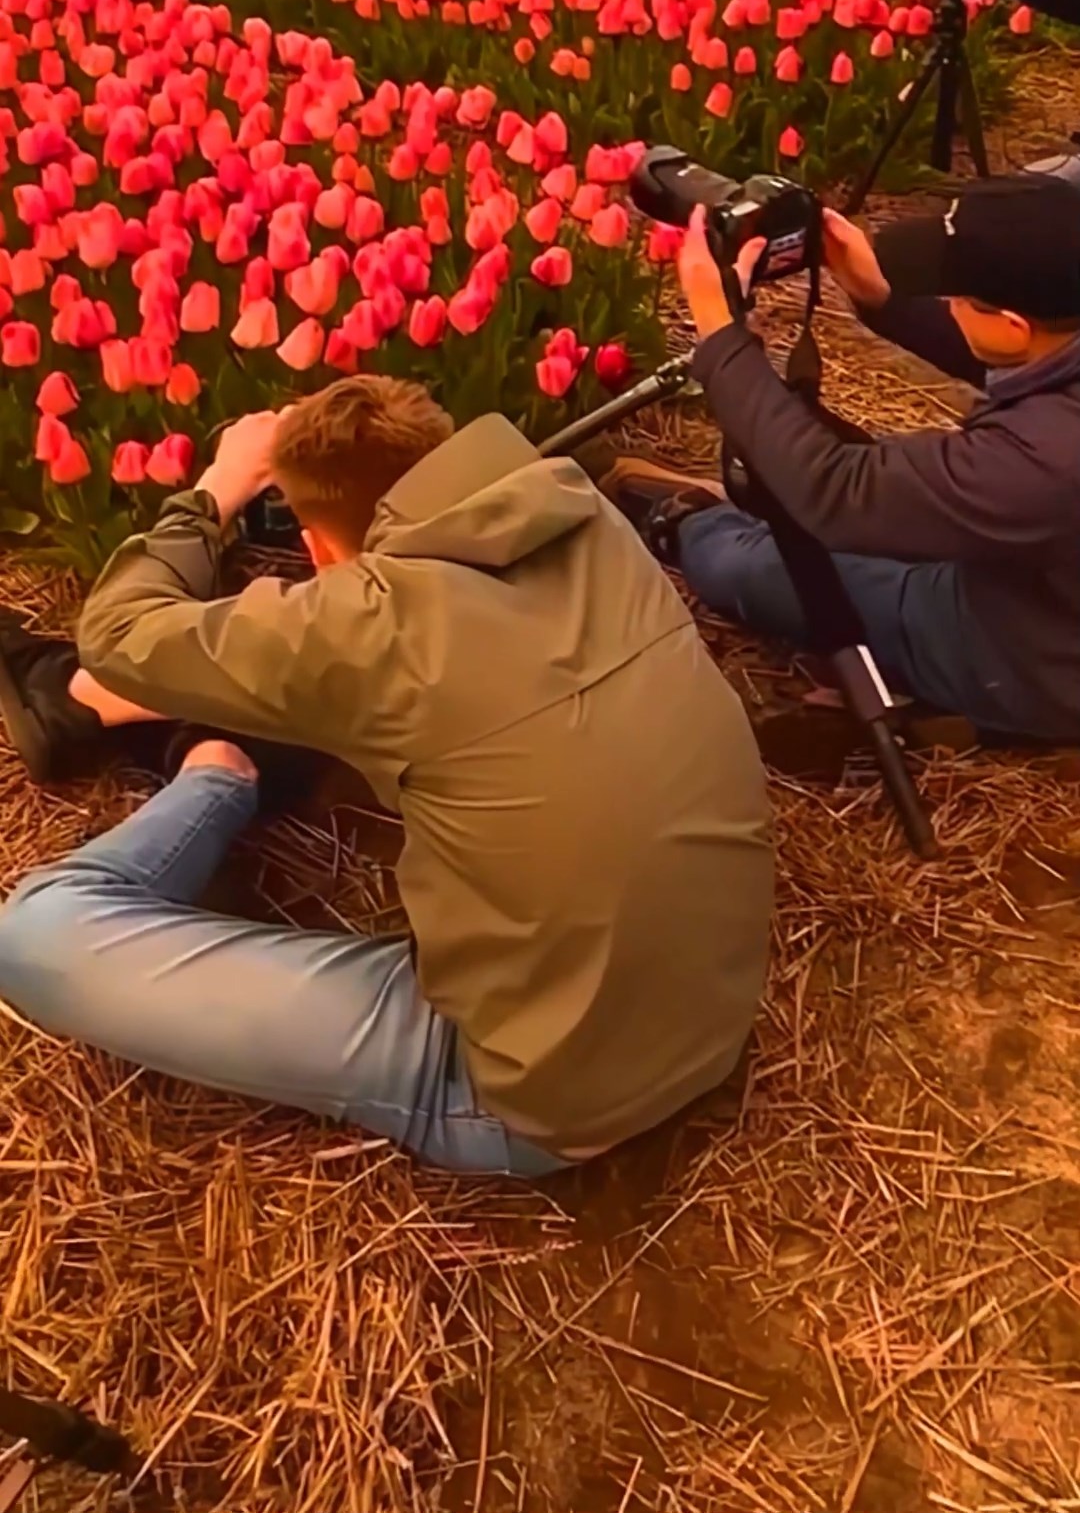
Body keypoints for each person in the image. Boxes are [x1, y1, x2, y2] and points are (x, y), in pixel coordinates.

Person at [0, 376, 773, 1176]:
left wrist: (219, 487)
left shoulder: (374, 628)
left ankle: (210, 773)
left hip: (535, 1098)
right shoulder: (594, 527)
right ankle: (114, 714)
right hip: (709, 1018)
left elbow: (119, 631)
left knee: (38, 931)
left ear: (318, 549)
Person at [608, 172, 1080, 744]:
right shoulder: (1049, 394)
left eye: (957, 296)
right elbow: (1026, 362)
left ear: (1014, 326)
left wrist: (719, 335)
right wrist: (882, 298)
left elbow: (834, 490)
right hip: (1040, 586)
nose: (948, 304)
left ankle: (690, 521)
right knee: (872, 486)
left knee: (748, 568)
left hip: (1025, 659)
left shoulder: (1042, 460)